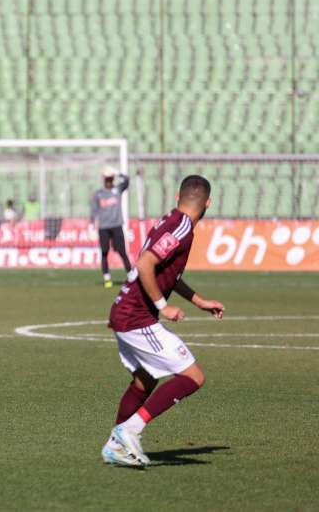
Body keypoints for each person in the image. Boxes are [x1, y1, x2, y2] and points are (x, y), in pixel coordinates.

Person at [102, 175, 224, 467]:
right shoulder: (181, 227)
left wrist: (198, 301)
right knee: (193, 377)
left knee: (144, 382)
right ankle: (128, 430)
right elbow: (145, 264)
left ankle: (113, 447)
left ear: (177, 197)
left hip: (125, 313)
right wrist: (163, 306)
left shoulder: (172, 220)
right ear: (208, 202)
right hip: (137, 317)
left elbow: (169, 272)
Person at [91, 166, 133, 287]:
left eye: (110, 178)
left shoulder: (117, 190)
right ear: (104, 180)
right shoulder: (98, 194)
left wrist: (118, 172)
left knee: (122, 252)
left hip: (116, 225)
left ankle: (131, 276)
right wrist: (91, 225)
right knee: (104, 252)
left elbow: (127, 180)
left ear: (113, 179)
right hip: (103, 227)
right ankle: (107, 278)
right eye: (107, 179)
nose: (108, 181)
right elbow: (94, 211)